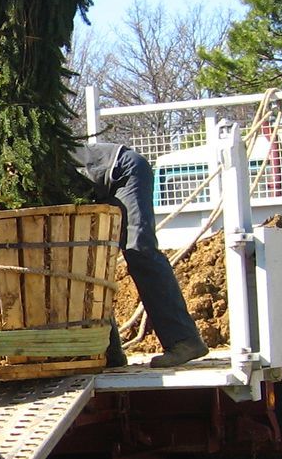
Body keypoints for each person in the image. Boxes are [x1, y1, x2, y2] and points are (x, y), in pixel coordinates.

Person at [75, 141, 209, 368]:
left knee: (139, 251)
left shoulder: (29, 156)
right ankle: (110, 353)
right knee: (88, 267)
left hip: (123, 171)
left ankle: (184, 341)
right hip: (99, 188)